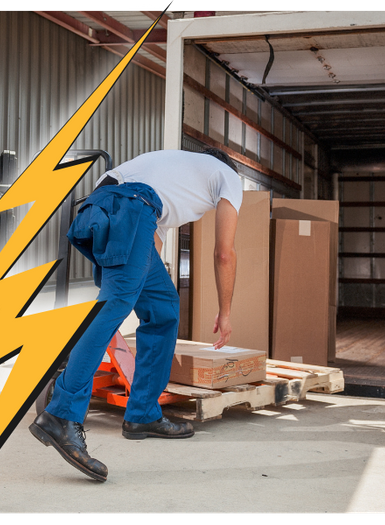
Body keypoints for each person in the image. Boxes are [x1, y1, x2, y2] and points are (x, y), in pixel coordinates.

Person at [29, 148, 243, 480]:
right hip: (130, 207)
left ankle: (143, 412)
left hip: (104, 208)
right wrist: (225, 313)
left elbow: (150, 251)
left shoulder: (175, 172)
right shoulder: (227, 176)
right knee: (113, 306)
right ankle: (62, 413)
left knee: (163, 308)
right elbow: (224, 252)